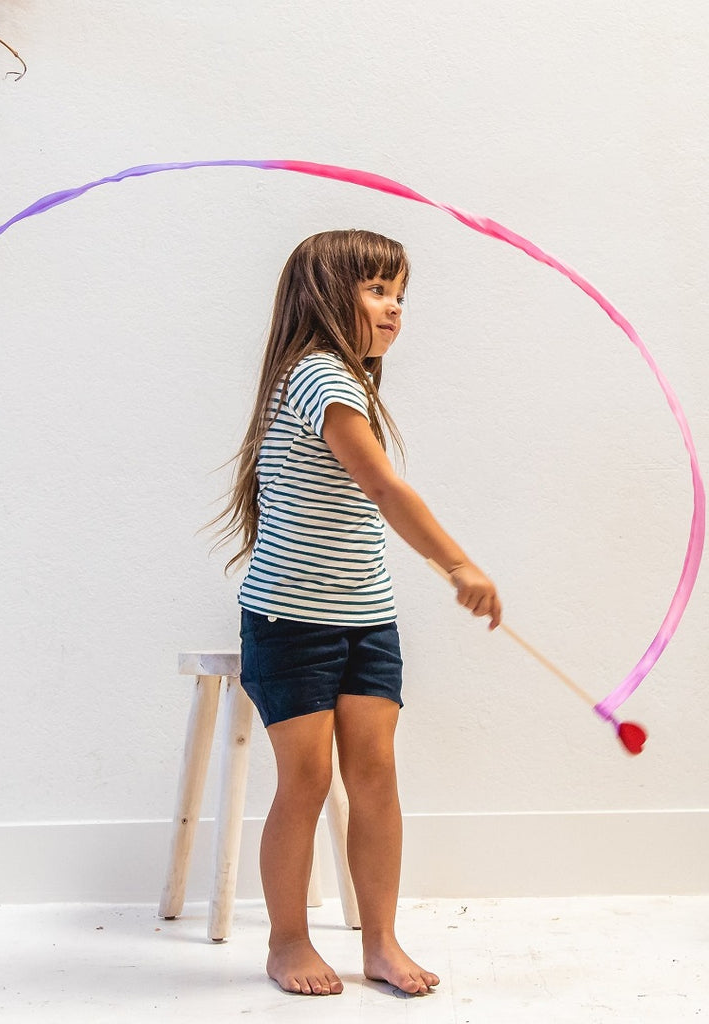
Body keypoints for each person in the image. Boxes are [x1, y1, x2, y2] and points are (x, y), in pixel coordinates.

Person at [211, 229, 501, 997]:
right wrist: (457, 564)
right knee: (305, 780)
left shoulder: (349, 383)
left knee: (375, 775)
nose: (394, 307)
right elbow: (383, 488)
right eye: (377, 290)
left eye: (399, 293)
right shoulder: (317, 376)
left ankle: (380, 942)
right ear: (324, 297)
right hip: (290, 621)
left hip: (367, 616)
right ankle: (286, 942)